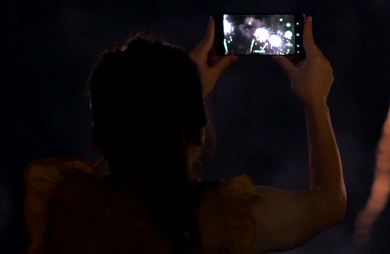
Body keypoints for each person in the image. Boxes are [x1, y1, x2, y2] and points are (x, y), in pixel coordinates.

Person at [23, 16, 346, 253]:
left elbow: (121, 153)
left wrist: (178, 103)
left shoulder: (70, 206)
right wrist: (315, 104)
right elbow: (330, 203)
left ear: (100, 137)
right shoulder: (223, 223)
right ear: (199, 134)